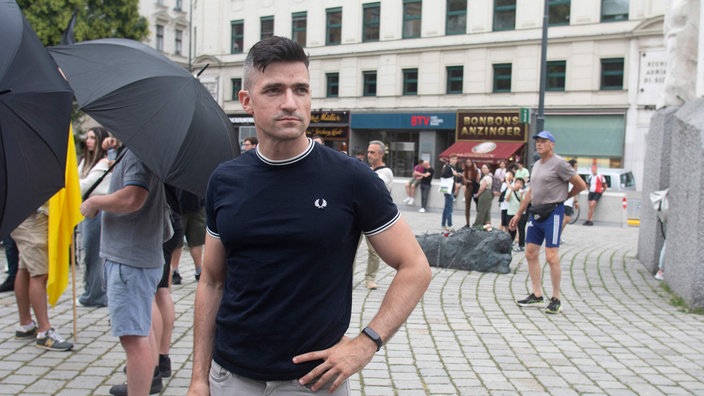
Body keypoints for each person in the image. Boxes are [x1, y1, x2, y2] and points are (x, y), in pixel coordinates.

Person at [187, 36, 431, 396]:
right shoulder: (225, 180)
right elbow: (211, 281)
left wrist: (366, 344)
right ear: (246, 101)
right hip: (231, 377)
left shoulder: (351, 178)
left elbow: (415, 267)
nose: (290, 103)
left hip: (311, 383)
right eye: (274, 90)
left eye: (300, 89)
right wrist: (197, 378)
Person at [80, 148, 167, 395]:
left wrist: (94, 202)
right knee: (142, 332)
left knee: (134, 339)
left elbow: (133, 198)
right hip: (139, 256)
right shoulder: (147, 149)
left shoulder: (138, 152)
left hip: (129, 258)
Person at [509, 131, 586, 314]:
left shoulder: (560, 164)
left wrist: (563, 197)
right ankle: (537, 294)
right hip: (536, 212)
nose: (539, 144)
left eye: (543, 141)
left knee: (552, 256)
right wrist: (519, 213)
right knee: (530, 253)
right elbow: (530, 191)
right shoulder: (536, 165)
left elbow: (581, 185)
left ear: (552, 144)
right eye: (537, 141)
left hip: (553, 212)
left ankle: (556, 298)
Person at [10, 207, 74, 351]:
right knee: (39, 273)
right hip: (32, 217)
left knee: (26, 268)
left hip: (28, 215)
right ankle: (44, 332)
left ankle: (25, 325)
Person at [76, 126, 112, 307]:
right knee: (87, 252)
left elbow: (82, 185)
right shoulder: (86, 161)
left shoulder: (104, 163)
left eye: (93, 138)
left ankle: (95, 294)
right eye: (87, 137)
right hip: (87, 210)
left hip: (98, 211)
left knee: (94, 253)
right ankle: (90, 290)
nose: (88, 141)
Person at [364, 140, 394, 290]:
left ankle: (370, 278)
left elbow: (374, 186)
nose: (369, 155)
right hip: (357, 214)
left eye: (373, 152)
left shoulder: (385, 172)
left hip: (373, 217)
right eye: (368, 152)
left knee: (374, 251)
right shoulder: (365, 169)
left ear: (381, 154)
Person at [170, 190, 205, 284]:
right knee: (195, 241)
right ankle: (198, 270)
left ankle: (175, 271)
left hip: (179, 204)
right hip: (194, 203)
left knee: (179, 241)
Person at [505, 177, 527, 252]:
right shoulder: (510, 190)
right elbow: (507, 199)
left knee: (521, 229)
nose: (518, 184)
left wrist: (521, 195)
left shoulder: (523, 192)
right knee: (511, 229)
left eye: (521, 183)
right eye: (517, 183)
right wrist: (511, 190)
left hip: (521, 213)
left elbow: (523, 204)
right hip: (511, 212)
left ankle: (521, 245)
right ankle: (510, 244)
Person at [440, 154, 460, 231]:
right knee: (449, 208)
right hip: (448, 190)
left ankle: (443, 224)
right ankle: (449, 224)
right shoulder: (448, 167)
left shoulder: (453, 167)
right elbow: (443, 175)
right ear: (450, 159)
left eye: (456, 159)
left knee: (446, 207)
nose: (455, 160)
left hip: (450, 189)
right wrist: (453, 174)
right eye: (453, 159)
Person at [562, 159, 580, 237]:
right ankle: (557, 235)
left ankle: (558, 235)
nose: (577, 168)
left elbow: (576, 189)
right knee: (567, 219)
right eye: (576, 166)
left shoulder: (575, 175)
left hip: (569, 201)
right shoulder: (567, 175)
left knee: (566, 219)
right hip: (565, 200)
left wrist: (575, 201)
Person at [473, 164, 494, 229]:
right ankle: (487, 225)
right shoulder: (489, 176)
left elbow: (482, 187)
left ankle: (477, 225)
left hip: (485, 193)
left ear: (489, 169)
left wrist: (477, 194)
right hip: (489, 194)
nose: (483, 169)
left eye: (485, 168)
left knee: (481, 210)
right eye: (482, 168)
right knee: (487, 210)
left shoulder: (487, 177)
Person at [462, 159, 479, 226]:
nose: (468, 163)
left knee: (478, 206)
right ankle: (467, 223)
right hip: (468, 188)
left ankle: (477, 222)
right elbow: (464, 181)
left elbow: (478, 181)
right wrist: (466, 180)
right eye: (467, 162)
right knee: (467, 207)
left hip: (475, 188)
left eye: (469, 162)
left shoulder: (476, 171)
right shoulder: (464, 171)